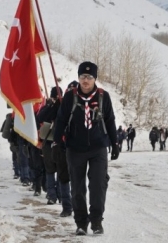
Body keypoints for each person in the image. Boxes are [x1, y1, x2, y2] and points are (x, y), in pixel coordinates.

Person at [53, 61, 118, 236]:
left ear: (95, 78)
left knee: (98, 185)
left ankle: (96, 221)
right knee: (77, 188)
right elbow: (60, 119)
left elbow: (110, 121)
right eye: (82, 76)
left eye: (89, 77)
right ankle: (81, 222)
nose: (85, 80)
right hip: (75, 148)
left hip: (98, 147)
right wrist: (57, 140)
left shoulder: (104, 97)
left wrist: (115, 143)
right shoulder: (70, 97)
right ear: (78, 78)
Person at [37, 86, 72, 217]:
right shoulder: (49, 106)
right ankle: (52, 195)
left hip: (62, 144)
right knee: (50, 170)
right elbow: (40, 117)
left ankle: (62, 197)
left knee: (62, 173)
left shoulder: (66, 105)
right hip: (49, 142)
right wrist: (51, 105)